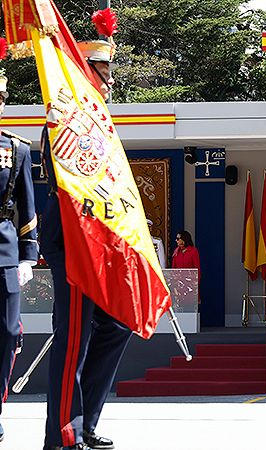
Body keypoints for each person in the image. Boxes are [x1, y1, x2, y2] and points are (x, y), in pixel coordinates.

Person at [42, 20, 131, 450]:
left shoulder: (101, 121)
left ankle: (86, 420)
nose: (110, 82)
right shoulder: (62, 120)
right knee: (74, 335)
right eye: (102, 72)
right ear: (83, 71)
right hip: (74, 243)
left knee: (118, 325)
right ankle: (62, 434)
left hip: (102, 243)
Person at [0, 72, 39, 442]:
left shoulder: (17, 149)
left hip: (4, 251)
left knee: (9, 332)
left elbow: (27, 206)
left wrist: (28, 256)